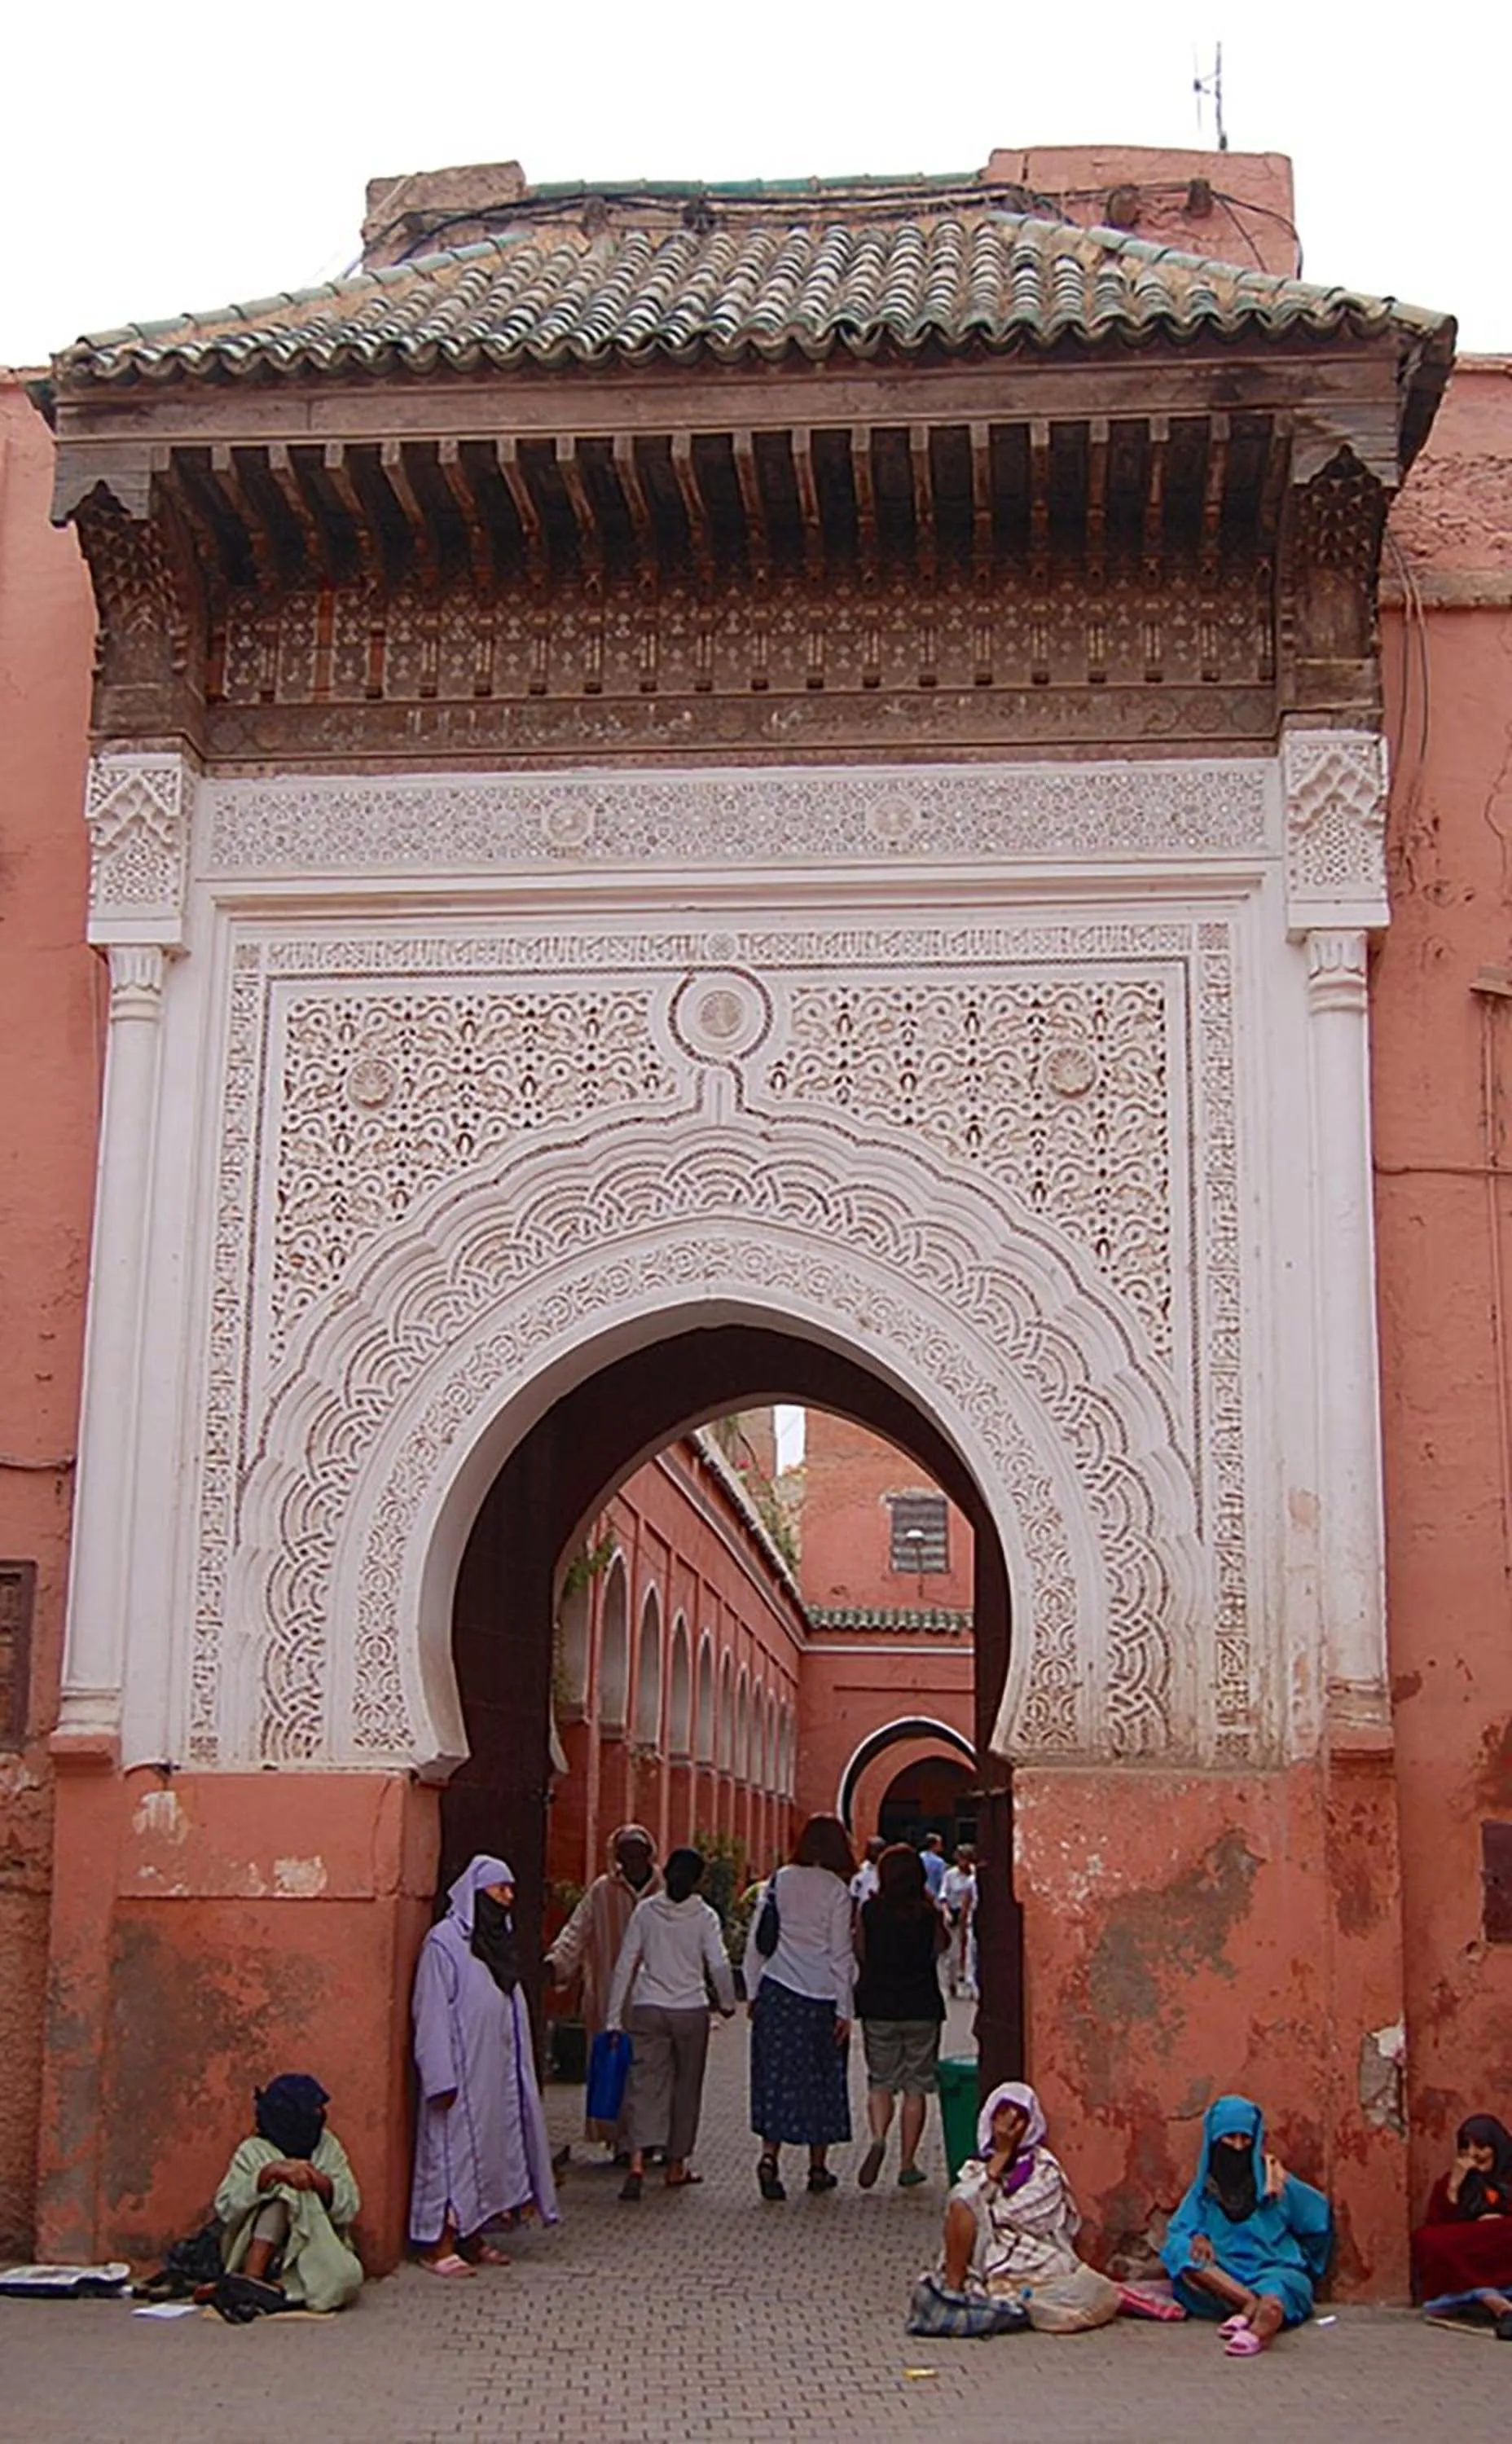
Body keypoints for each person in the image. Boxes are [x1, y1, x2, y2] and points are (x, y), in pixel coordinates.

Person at [409, 1854, 559, 2276]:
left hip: (492, 2077)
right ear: (477, 1895)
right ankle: (437, 2244)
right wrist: (440, 2075)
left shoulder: (496, 1947)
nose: (508, 1898)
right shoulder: (443, 1944)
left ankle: (473, 2237)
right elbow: (432, 2012)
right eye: (500, 1889)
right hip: (458, 2077)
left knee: (491, 2154)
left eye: (510, 1889)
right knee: (448, 2158)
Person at [605, 1844, 736, 2200]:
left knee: (645, 2084)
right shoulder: (704, 1916)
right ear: (699, 1880)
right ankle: (676, 2163)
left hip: (648, 2007)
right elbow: (719, 1962)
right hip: (690, 2009)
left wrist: (614, 2018)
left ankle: (636, 2161)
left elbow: (625, 1964)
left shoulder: (646, 1912)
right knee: (685, 2087)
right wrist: (727, 2002)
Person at [938, 2081, 1120, 2332]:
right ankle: (953, 2293)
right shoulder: (977, 2168)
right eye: (1001, 2118)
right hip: (986, 2247)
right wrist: (1000, 2158)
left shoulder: (1043, 2170)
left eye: (1017, 2120)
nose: (1009, 2127)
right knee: (962, 2202)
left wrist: (978, 2214)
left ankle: (1001, 2298)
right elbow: (963, 2204)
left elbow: (1016, 2217)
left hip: (1030, 2250)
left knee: (1059, 2273)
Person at [1161, 2094, 1331, 2354]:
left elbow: (1317, 2220)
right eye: (1230, 2139)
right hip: (1225, 2277)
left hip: (1273, 2270)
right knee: (1179, 2250)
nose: (1238, 2148)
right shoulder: (1206, 2189)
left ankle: (1256, 2332)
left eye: (1245, 2139)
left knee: (1276, 2297)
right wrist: (1198, 2236)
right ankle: (1249, 2303)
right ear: (1215, 2142)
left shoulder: (1275, 2182)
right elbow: (1180, 2230)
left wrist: (1306, 2261)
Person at [747, 1813, 856, 2200]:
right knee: (821, 2078)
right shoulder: (837, 1891)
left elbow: (758, 1940)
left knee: (776, 2076)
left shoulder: (779, 1880)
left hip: (778, 1989)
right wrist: (845, 2010)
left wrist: (753, 1991)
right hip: (820, 1995)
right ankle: (817, 2166)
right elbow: (841, 1955)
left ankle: (769, 2157)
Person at [546, 1823, 662, 2150]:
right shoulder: (602, 1892)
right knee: (615, 2068)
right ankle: (622, 2139)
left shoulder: (664, 1890)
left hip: (656, 1998)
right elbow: (577, 1931)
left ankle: (649, 2137)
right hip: (610, 1996)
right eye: (626, 1853)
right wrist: (556, 1963)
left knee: (652, 2071)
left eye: (638, 1852)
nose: (633, 1859)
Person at [213, 2073, 363, 2314]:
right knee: (286, 2190)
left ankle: (276, 2289)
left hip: (316, 2248)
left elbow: (349, 2207)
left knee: (299, 2191)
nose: (318, 2116)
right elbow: (226, 2208)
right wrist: (267, 2176)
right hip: (252, 2244)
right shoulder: (253, 2151)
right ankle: (252, 2276)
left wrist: (318, 2181)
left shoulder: (327, 2147)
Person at [855, 1842, 947, 2190]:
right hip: (921, 2005)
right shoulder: (928, 1913)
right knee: (915, 2087)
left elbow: (859, 1951)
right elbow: (941, 1948)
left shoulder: (870, 1912)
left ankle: (878, 2137)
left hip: (878, 2003)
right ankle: (907, 2163)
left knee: (880, 2080)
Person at [1411, 2112, 1512, 2334]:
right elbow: (1439, 2225)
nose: (1474, 2155)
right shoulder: (1452, 2182)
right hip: (1470, 2245)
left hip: (1502, 2240)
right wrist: (1454, 2188)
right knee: (1426, 2239)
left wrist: (1499, 2221)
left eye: (1482, 2147)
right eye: (1467, 2148)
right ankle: (1491, 2299)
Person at [940, 1844, 977, 1999]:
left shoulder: (975, 1876)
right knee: (953, 1951)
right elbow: (943, 1896)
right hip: (954, 1914)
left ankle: (970, 1984)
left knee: (970, 1951)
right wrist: (947, 1912)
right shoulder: (950, 1875)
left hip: (970, 1916)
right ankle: (952, 1981)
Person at [850, 1835, 885, 1906]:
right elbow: (854, 1896)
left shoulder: (886, 1872)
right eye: (871, 1848)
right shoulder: (860, 1870)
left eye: (877, 1849)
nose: (873, 1852)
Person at [919, 1831, 947, 1901]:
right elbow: (942, 1881)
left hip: (920, 1895)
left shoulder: (919, 1857)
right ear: (933, 1845)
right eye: (940, 1844)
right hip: (934, 1896)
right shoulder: (939, 1862)